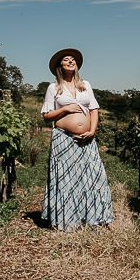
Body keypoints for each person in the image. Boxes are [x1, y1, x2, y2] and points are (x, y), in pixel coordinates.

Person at [40, 48, 113, 230]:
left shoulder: (85, 85)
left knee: (94, 176)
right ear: (60, 66)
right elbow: (47, 116)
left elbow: (94, 109)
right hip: (64, 139)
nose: (71, 61)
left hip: (87, 140)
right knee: (67, 180)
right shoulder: (53, 88)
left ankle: (100, 218)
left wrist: (92, 131)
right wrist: (64, 110)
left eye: (73, 59)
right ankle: (68, 220)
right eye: (66, 59)